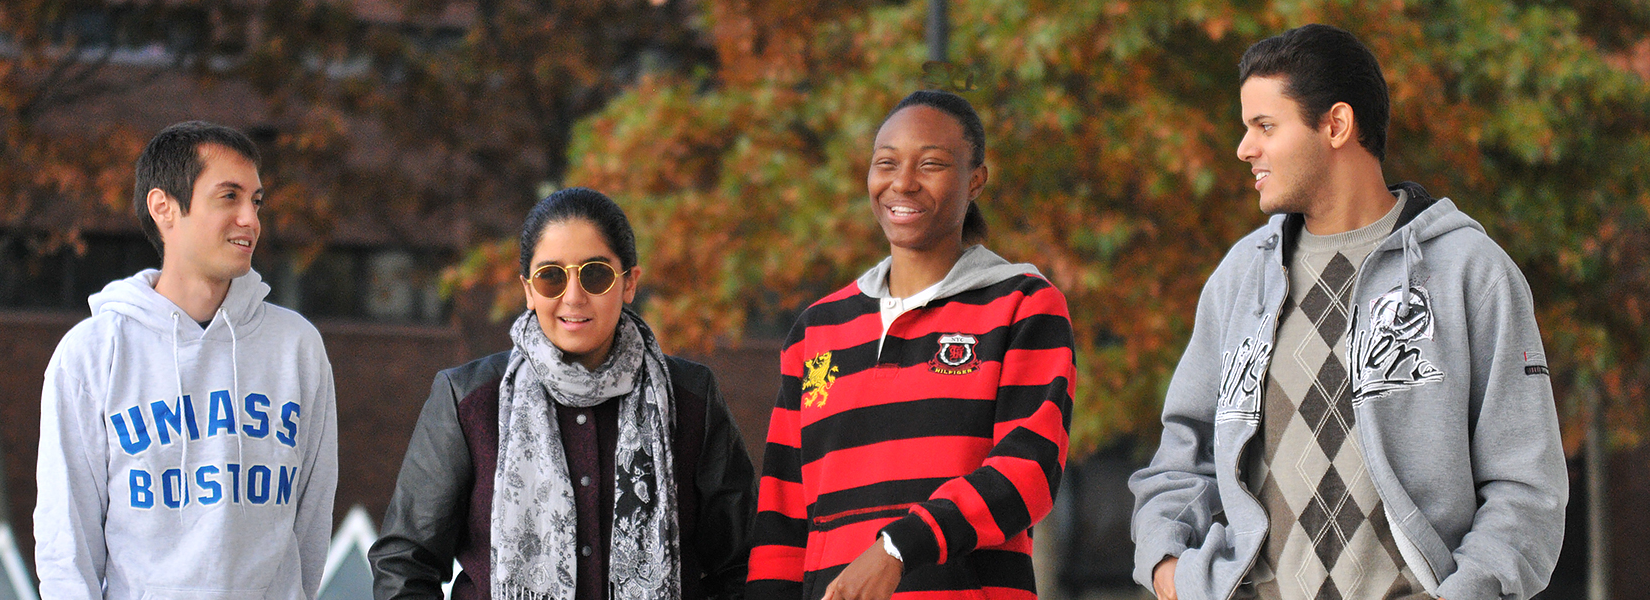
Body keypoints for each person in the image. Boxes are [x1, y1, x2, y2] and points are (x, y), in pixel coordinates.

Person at [1129, 24, 1567, 600]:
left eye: (1265, 126)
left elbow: (1526, 487)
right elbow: (1184, 457)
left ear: (1336, 125)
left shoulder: (1470, 272)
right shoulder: (1241, 278)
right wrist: (1170, 572)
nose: (1244, 149)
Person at [745, 90, 1076, 600]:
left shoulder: (1023, 305)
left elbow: (1028, 471)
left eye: (931, 164)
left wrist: (899, 548)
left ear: (976, 181)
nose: (902, 183)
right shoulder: (816, 331)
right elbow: (782, 519)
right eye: (886, 163)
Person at [368, 187, 757, 600]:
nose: (573, 296)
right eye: (551, 276)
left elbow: (742, 565)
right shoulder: (468, 400)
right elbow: (405, 564)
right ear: (528, 290)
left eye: (595, 274)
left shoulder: (691, 399)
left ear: (629, 283)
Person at [34, 121, 340, 598]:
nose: (250, 220)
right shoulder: (92, 354)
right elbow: (65, 544)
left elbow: (312, 520)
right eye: (229, 197)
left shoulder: (297, 347)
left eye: (256, 201)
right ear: (164, 208)